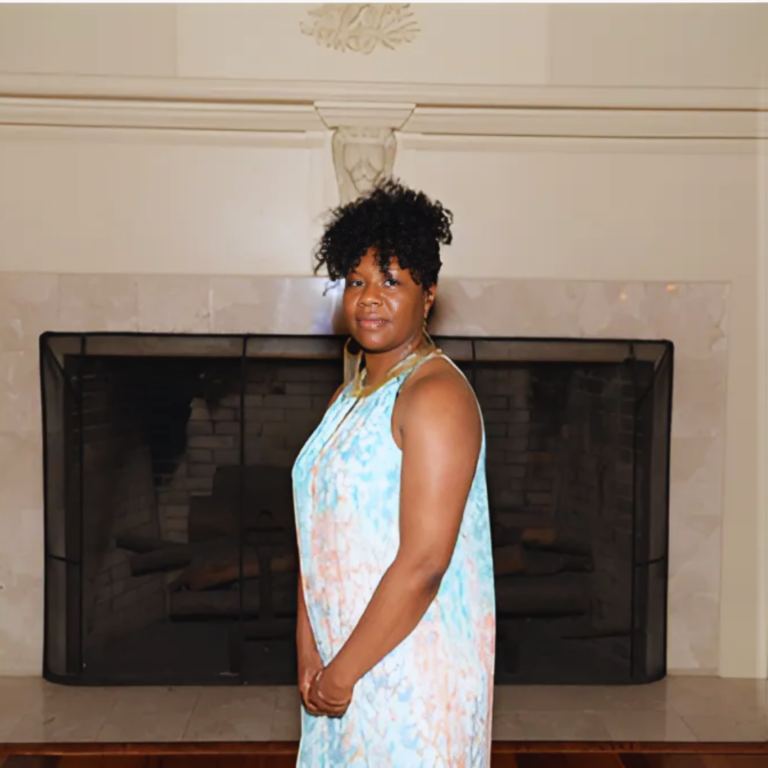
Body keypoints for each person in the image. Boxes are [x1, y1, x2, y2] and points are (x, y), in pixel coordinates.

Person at [292, 179, 496, 767]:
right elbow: (315, 532)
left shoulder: (435, 396)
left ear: (427, 295)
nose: (369, 298)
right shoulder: (348, 396)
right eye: (356, 281)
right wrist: (310, 651)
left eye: (390, 281)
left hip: (410, 677)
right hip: (342, 670)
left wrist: (342, 673)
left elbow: (425, 563)